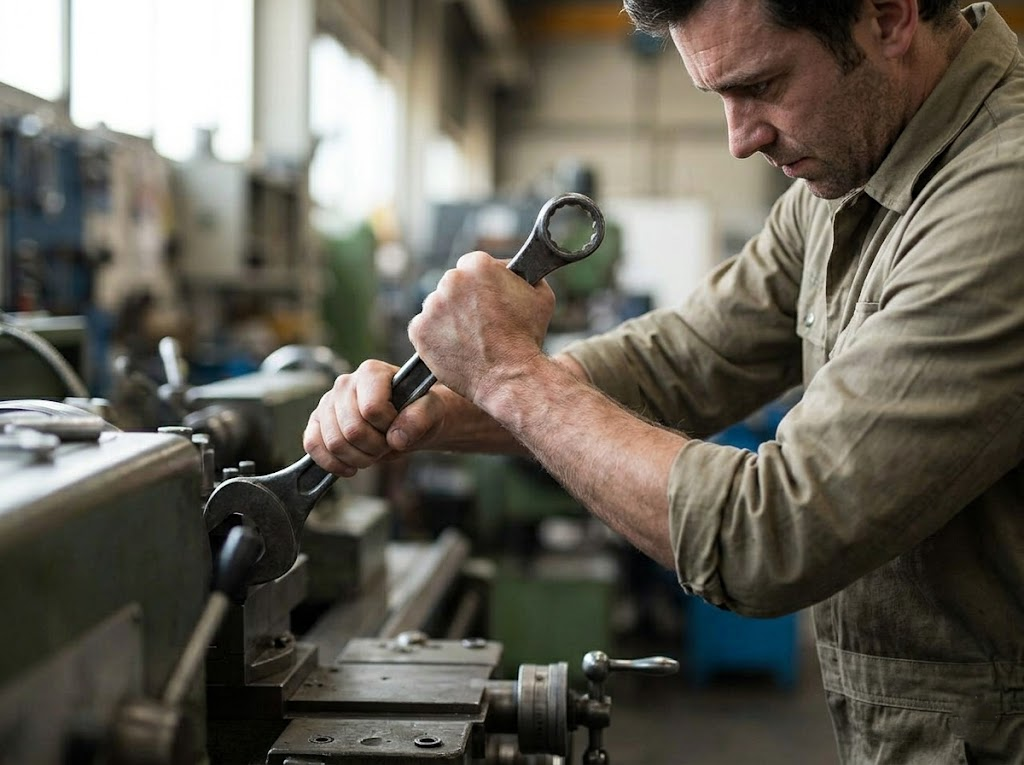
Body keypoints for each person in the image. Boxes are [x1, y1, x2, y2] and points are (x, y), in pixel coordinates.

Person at [304, 1, 1024, 761]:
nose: (740, 140)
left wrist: (511, 375)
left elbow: (773, 535)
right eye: (720, 96)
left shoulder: (1000, 196)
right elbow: (683, 357)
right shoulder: (857, 174)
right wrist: (442, 407)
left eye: (763, 85)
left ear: (888, 16)